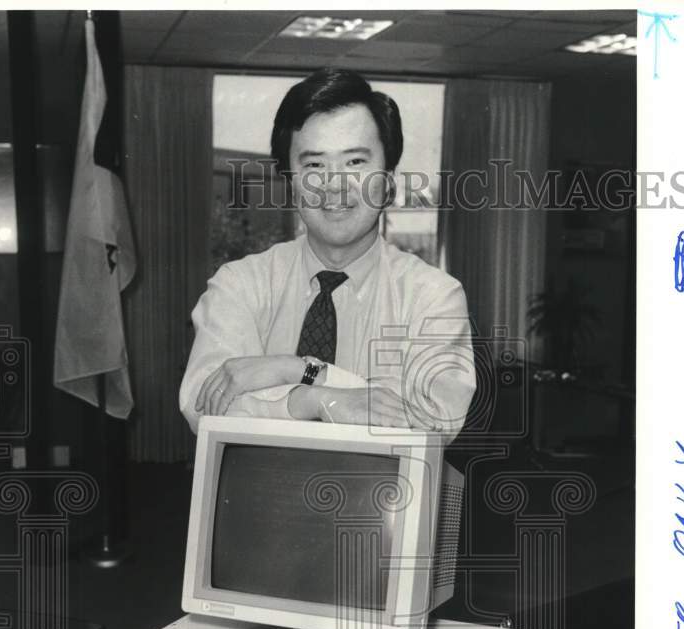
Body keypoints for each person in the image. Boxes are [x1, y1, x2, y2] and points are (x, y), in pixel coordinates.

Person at [179, 69, 475, 441]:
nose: (334, 184)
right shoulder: (240, 285)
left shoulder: (433, 296)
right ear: (290, 182)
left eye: (355, 162)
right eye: (314, 165)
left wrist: (298, 371)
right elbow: (203, 408)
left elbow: (433, 424)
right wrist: (314, 400)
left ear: (388, 181)